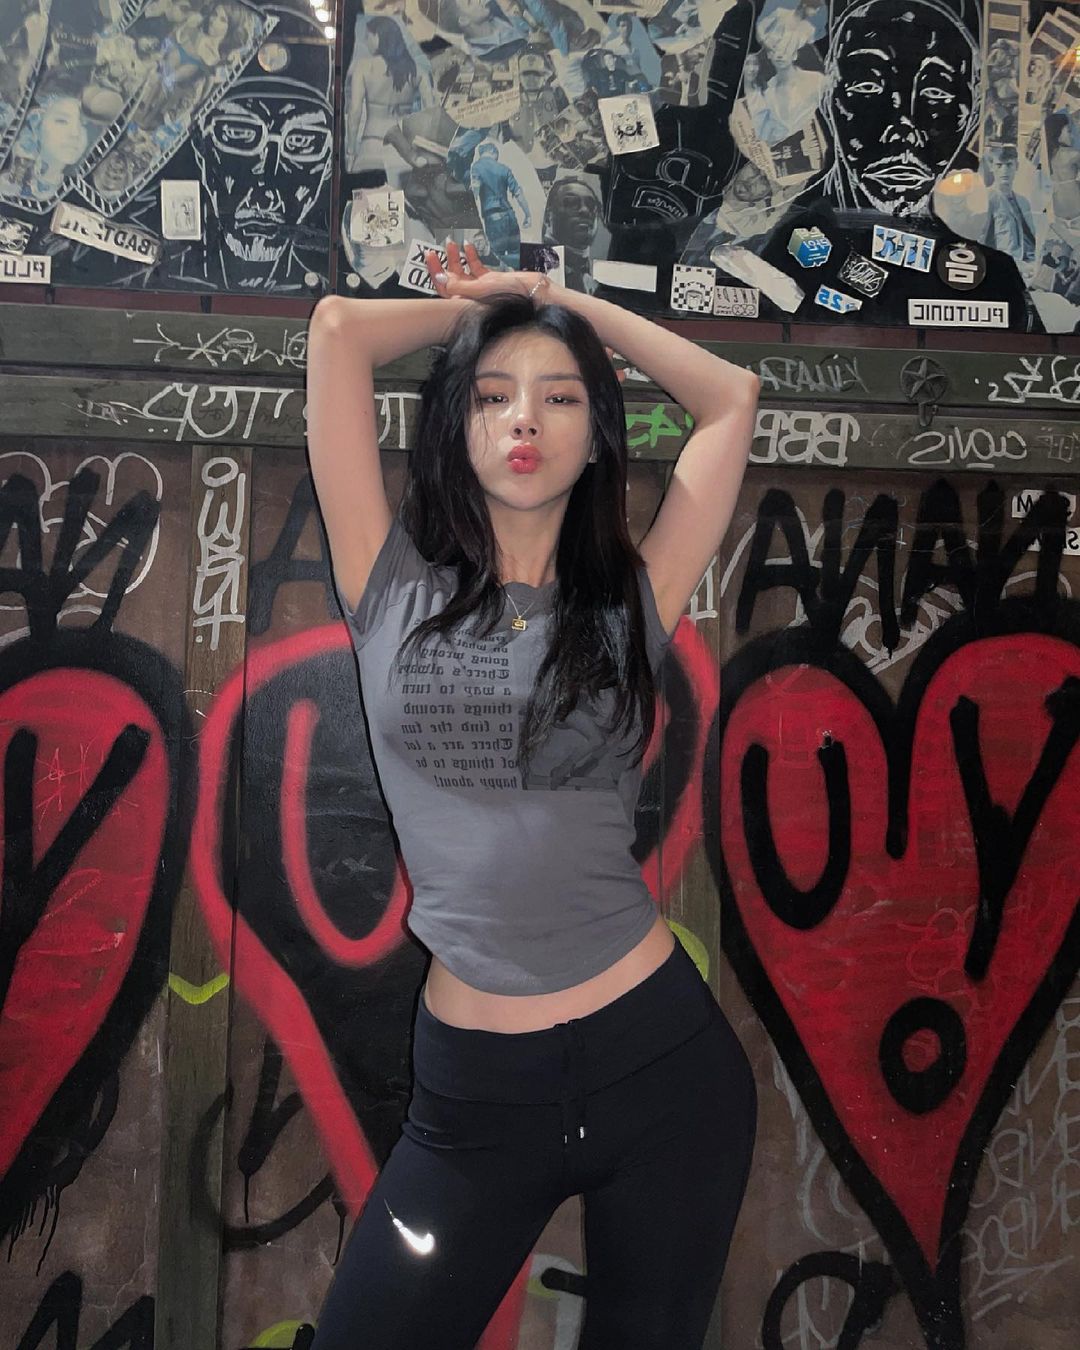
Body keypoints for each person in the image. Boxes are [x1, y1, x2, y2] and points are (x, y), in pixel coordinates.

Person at [305, 240, 759, 1348]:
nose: (524, 420)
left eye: (560, 399)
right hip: (475, 1101)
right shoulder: (390, 586)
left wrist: (567, 304)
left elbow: (730, 399)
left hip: (660, 1068)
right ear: (458, 424)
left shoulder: (631, 601)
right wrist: (490, 307)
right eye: (494, 396)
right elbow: (337, 334)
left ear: (596, 434)